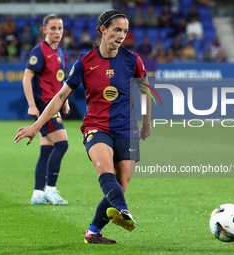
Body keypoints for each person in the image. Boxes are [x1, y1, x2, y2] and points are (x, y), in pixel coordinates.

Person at [15, 9, 151, 244]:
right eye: (117, 30)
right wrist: (37, 126)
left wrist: (147, 121)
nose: (121, 35)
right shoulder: (85, 62)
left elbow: (145, 89)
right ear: (103, 30)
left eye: (125, 31)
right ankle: (124, 210)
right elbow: (59, 98)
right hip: (96, 127)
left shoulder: (132, 60)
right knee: (104, 169)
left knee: (122, 183)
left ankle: (93, 232)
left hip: (126, 129)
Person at [21, 14, 70, 205]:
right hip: (44, 104)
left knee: (46, 150)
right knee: (62, 144)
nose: (57, 32)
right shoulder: (39, 51)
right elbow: (27, 77)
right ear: (44, 31)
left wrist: (64, 99)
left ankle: (37, 194)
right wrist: (32, 104)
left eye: (60, 28)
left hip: (55, 103)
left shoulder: (62, 52)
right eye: (53, 28)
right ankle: (51, 189)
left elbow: (60, 79)